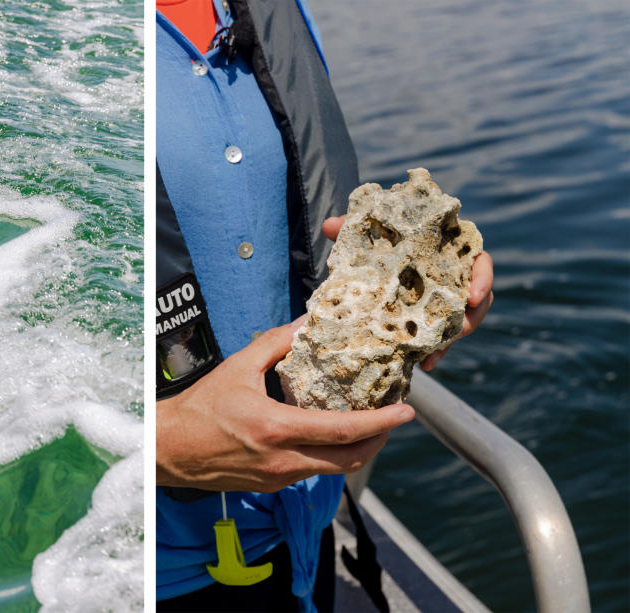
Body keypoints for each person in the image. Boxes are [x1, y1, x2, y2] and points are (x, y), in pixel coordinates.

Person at [155, 1, 495, 611]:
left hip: (306, 534)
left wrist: (430, 269)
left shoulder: (273, 11)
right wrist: (161, 443)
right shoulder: (20, 46)